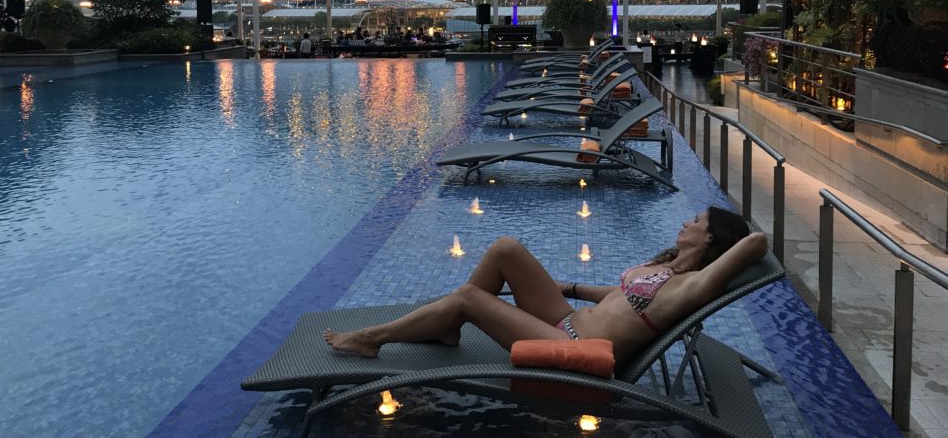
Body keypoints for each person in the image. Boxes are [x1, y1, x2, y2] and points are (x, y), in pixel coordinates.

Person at [324, 207, 767, 363]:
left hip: (577, 348)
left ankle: (373, 339)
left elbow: (757, 242)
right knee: (506, 248)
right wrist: (570, 287)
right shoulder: (667, 269)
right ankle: (448, 326)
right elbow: (624, 301)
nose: (686, 222)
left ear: (710, 239)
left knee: (469, 297)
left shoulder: (694, 285)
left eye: (697, 221)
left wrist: (737, 236)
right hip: (567, 320)